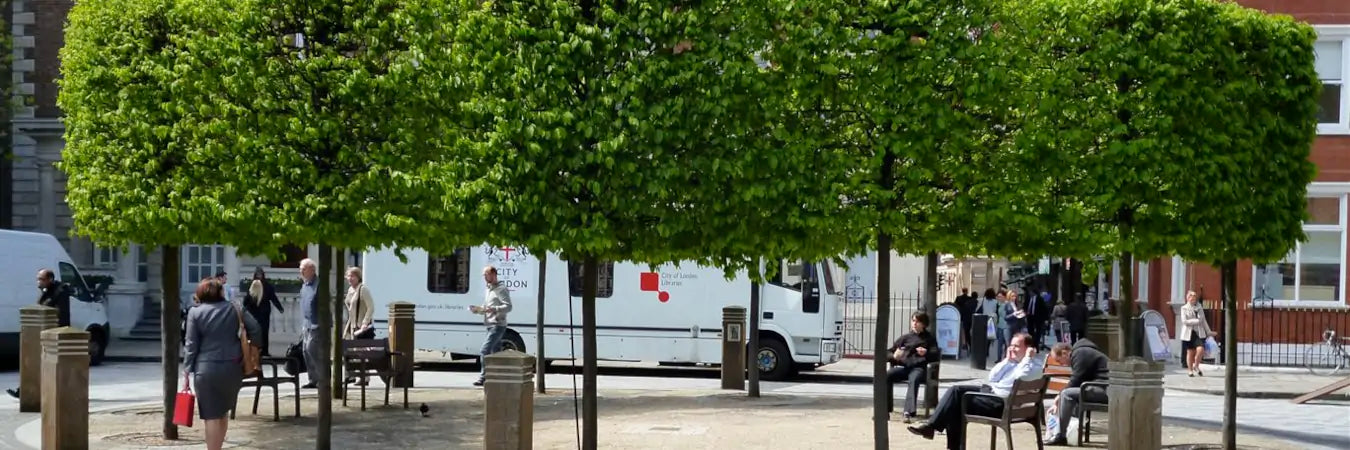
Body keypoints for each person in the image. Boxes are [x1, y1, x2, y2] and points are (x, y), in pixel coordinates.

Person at [907, 333, 1042, 450]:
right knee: (955, 391)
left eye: (1017, 346)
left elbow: (1022, 377)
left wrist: (1027, 358)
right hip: (992, 394)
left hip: (1001, 404)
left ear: (1029, 349)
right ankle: (932, 428)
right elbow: (992, 377)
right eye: (1011, 345)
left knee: (957, 401)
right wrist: (1007, 360)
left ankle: (934, 429)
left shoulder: (1034, 366)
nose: (1012, 348)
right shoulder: (1012, 363)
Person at [182, 278, 261, 450]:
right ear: (221, 292)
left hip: (206, 369)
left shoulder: (195, 313)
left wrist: (187, 370)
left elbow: (191, 345)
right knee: (223, 411)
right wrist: (253, 350)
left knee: (211, 415)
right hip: (232, 367)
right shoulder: (235, 308)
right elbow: (255, 328)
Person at [7, 269, 71, 399]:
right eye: (38, 279)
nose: (38, 282)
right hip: (40, 333)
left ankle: (60, 390)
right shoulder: (45, 291)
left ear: (50, 279)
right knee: (33, 362)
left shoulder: (60, 291)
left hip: (54, 334)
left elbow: (59, 314)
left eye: (41, 279)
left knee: (52, 364)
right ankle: (25, 390)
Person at [1045, 338, 1110, 445]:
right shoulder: (1083, 352)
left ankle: (1061, 435)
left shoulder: (1081, 353)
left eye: (1059, 360)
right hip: (1102, 387)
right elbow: (1079, 380)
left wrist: (1058, 397)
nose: (1061, 364)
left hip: (1106, 390)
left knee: (1067, 394)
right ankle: (1072, 433)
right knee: (1072, 395)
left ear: (1065, 353)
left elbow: (1076, 379)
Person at [883, 312, 940, 423]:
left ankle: (908, 412)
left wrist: (926, 353)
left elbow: (936, 354)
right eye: (913, 320)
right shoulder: (905, 338)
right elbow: (888, 352)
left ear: (923, 324)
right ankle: (885, 409)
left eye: (917, 321)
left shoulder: (929, 339)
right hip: (905, 368)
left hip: (919, 368)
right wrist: (894, 356)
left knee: (914, 379)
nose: (914, 323)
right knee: (887, 375)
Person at [470, 265, 513, 387]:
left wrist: (493, 309)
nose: (484, 277)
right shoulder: (489, 289)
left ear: (493, 274)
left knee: (484, 350)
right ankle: (498, 376)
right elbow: (488, 308)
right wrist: (479, 310)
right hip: (490, 324)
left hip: (497, 324)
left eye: (486, 274)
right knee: (496, 352)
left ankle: (483, 377)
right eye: (483, 275)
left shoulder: (501, 289)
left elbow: (508, 306)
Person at [343, 267, 376, 385]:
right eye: (348, 276)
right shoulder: (350, 290)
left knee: (361, 352)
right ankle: (354, 375)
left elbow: (371, 307)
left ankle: (364, 377)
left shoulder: (363, 289)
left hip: (362, 327)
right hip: (352, 326)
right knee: (353, 352)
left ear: (358, 277)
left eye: (353, 276)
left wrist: (365, 323)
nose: (350, 278)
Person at [242, 267, 285, 356]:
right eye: (257, 275)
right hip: (254, 313)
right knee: (254, 332)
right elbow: (246, 301)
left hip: (263, 313)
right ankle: (255, 350)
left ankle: (264, 351)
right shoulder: (253, 285)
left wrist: (279, 307)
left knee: (264, 333)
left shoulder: (267, 286)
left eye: (260, 275)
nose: (259, 277)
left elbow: (273, 298)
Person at [298, 258, 323, 389]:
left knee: (312, 349)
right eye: (300, 268)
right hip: (306, 324)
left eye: (304, 268)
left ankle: (322, 378)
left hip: (317, 324)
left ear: (312, 270)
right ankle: (312, 379)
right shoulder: (305, 284)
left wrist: (319, 322)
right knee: (305, 351)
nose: (301, 271)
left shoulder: (319, 284)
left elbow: (323, 305)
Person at [1179, 290, 1215, 377]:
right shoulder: (1183, 308)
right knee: (1190, 352)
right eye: (1191, 298)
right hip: (1188, 333)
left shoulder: (1199, 308)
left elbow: (1203, 321)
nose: (1193, 300)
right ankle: (1190, 370)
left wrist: (1208, 331)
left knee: (1201, 349)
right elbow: (1184, 321)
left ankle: (1196, 365)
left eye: (1194, 298)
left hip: (1199, 332)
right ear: (1188, 298)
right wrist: (1196, 321)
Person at [954, 288, 976, 352]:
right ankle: (968, 344)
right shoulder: (970, 299)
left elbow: (955, 305)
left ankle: (964, 343)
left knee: (962, 331)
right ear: (967, 291)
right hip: (968, 317)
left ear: (962, 291)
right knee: (967, 331)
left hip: (960, 316)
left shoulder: (958, 298)